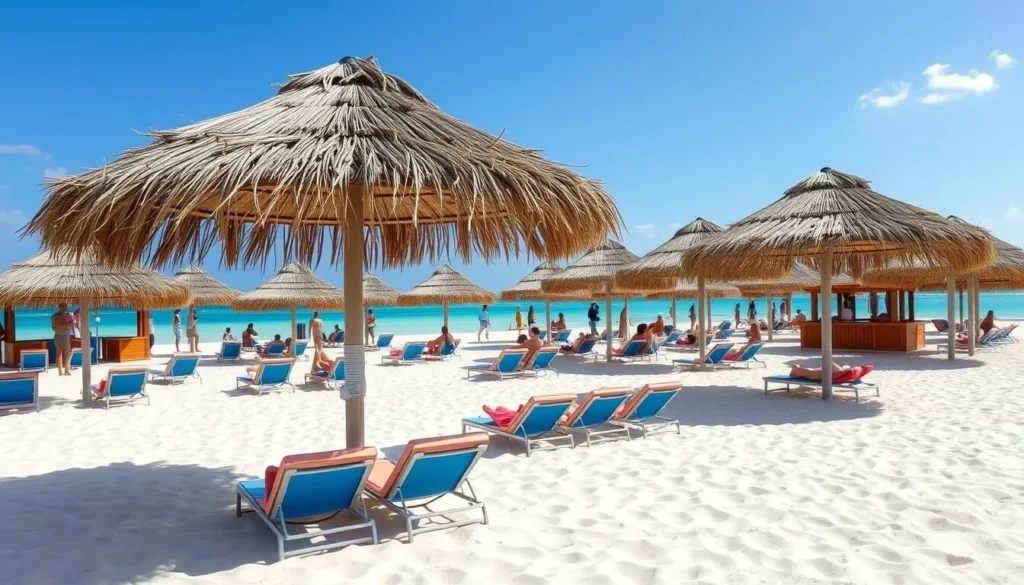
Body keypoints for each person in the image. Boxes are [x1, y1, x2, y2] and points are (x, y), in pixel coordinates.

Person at [51, 303, 74, 376]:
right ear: (60, 307)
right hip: (61, 335)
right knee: (60, 354)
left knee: (65, 354)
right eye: (64, 307)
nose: (65, 308)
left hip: (63, 335)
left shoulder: (68, 315)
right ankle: (61, 371)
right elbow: (54, 328)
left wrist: (64, 325)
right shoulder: (56, 316)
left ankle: (65, 370)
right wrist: (66, 325)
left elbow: (70, 325)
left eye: (65, 307)